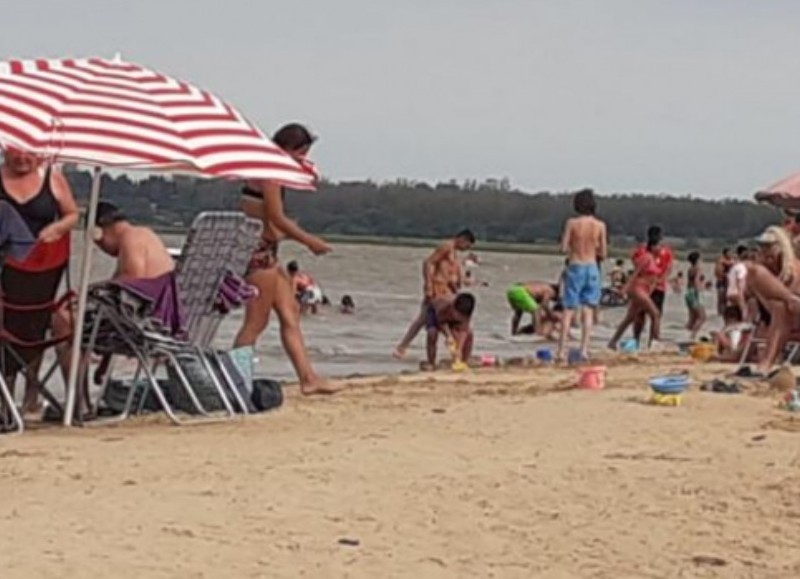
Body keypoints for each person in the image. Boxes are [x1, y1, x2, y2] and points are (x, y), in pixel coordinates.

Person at [234, 123, 339, 395]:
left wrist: (290, 235)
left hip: (267, 252)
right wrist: (309, 241)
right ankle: (235, 381)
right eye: (301, 154)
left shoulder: (263, 167)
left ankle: (308, 378)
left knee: (290, 314)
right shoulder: (270, 172)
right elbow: (276, 217)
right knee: (255, 323)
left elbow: (269, 220)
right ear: (293, 149)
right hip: (258, 255)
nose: (302, 160)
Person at [0, 147, 79, 415]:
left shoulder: (53, 178)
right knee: (17, 323)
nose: (22, 158)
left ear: (40, 155)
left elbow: (72, 214)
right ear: (4, 151)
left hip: (42, 270)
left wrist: (57, 228)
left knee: (36, 321)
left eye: (28, 153)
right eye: (15, 153)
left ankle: (29, 397)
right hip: (5, 267)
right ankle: (9, 397)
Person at [393, 229, 476, 358]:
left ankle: (402, 347)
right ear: (462, 239)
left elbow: (451, 272)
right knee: (430, 318)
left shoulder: (454, 252)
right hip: (437, 288)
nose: (466, 249)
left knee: (424, 318)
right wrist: (428, 284)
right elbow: (428, 262)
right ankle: (402, 347)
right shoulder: (446, 247)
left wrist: (461, 282)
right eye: (467, 246)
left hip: (446, 290)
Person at [556, 189, 607, 362]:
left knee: (569, 310)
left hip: (575, 265)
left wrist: (573, 246)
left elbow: (563, 248)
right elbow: (604, 252)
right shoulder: (600, 225)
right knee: (588, 310)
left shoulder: (572, 223)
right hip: (592, 267)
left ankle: (561, 350)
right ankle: (584, 349)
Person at [607, 227, 663, 351]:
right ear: (653, 246)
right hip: (638, 288)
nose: (661, 249)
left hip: (644, 289)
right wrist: (625, 289)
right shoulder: (646, 257)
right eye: (659, 246)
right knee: (655, 314)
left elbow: (654, 277)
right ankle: (655, 342)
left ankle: (613, 342)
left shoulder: (653, 259)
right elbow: (635, 273)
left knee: (630, 318)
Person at [631, 226, 673, 346]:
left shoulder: (642, 250)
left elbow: (636, 266)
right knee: (654, 315)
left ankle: (637, 340)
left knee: (641, 315)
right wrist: (659, 280)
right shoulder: (664, 251)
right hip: (655, 287)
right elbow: (668, 270)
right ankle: (652, 342)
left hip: (645, 287)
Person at [422, 293, 475, 371]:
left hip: (450, 318)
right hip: (435, 313)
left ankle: (463, 362)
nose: (459, 316)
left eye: (461, 315)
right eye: (457, 314)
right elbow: (441, 322)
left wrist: (459, 348)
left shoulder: (466, 313)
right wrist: (448, 335)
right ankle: (431, 363)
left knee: (469, 334)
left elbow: (463, 330)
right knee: (432, 333)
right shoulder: (444, 305)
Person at [684, 251, 706, 340]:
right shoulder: (698, 268)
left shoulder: (690, 269)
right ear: (697, 259)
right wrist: (700, 290)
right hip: (694, 293)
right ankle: (692, 335)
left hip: (688, 292)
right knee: (702, 317)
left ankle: (685, 335)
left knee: (692, 318)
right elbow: (697, 281)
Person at [725, 245, 749, 322]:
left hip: (729, 292)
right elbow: (740, 283)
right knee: (744, 314)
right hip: (737, 293)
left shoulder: (733, 267)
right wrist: (741, 295)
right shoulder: (742, 267)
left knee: (733, 317)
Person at [714, 248, 734, 316]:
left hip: (727, 283)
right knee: (721, 299)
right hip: (721, 282)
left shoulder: (731, 261)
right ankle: (720, 314)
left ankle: (723, 313)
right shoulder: (720, 261)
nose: (731, 254)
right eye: (729, 253)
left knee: (726, 300)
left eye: (731, 253)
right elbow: (717, 273)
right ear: (725, 254)